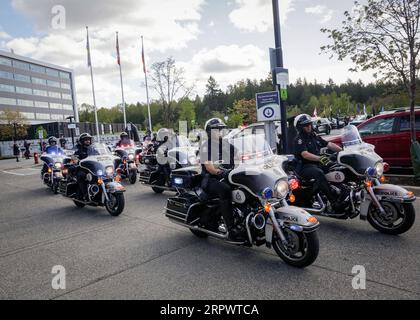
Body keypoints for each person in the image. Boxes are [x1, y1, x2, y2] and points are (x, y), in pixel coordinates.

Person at [293, 114, 347, 213]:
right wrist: (320, 159)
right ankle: (334, 202)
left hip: (316, 163)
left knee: (337, 167)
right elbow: (305, 154)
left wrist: (343, 151)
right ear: (300, 127)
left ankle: (342, 192)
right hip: (305, 166)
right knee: (319, 173)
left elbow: (328, 144)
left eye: (309, 124)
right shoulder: (299, 139)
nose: (309, 126)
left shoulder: (314, 136)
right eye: (306, 125)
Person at [199, 118, 242, 241]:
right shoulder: (205, 147)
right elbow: (209, 167)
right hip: (210, 179)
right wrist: (220, 172)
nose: (220, 132)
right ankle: (231, 228)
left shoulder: (225, 143)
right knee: (225, 190)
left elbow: (240, 154)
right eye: (217, 130)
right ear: (209, 132)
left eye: (221, 129)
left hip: (227, 176)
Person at [72, 133, 94, 200]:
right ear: (82, 141)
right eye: (86, 140)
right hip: (82, 168)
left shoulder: (93, 149)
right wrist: (75, 159)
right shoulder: (79, 150)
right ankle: (85, 194)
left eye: (89, 139)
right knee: (81, 175)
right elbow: (74, 157)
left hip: (93, 168)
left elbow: (100, 155)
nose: (88, 141)